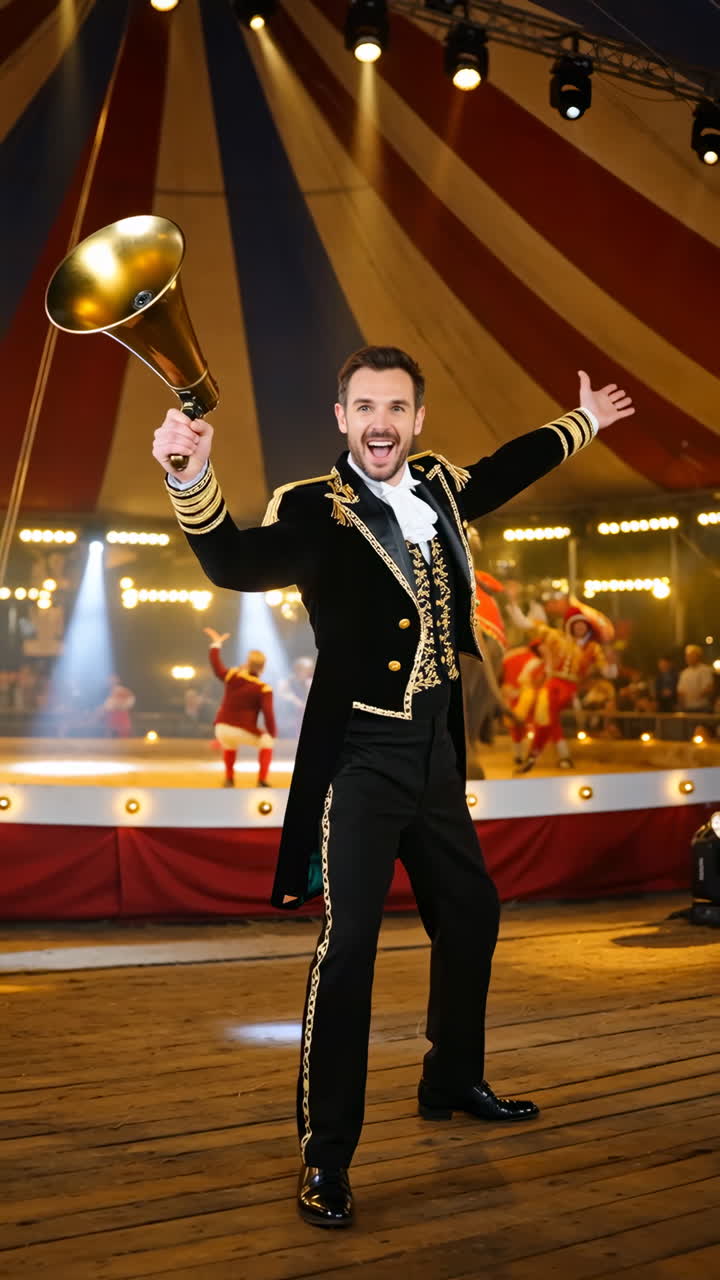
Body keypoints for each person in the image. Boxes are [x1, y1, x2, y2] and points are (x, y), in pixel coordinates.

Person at [152, 346, 634, 1227]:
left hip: (435, 755)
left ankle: (451, 1078)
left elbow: (503, 470)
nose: (382, 422)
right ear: (342, 416)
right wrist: (191, 473)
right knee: (353, 950)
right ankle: (326, 1157)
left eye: (397, 408)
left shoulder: (442, 484)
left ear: (416, 419)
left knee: (473, 911)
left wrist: (585, 424)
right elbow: (232, 561)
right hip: (362, 756)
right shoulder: (311, 506)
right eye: (365, 406)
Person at [507, 592, 612, 771]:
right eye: (577, 624)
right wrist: (513, 602)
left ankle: (536, 756)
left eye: (583, 625)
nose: (580, 628)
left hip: (569, 687)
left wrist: (611, 663)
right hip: (552, 683)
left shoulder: (593, 648)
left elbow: (608, 672)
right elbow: (525, 624)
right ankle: (554, 757)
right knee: (548, 717)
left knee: (546, 714)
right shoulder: (557, 637)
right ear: (570, 626)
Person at [204, 629, 276, 787]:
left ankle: (229, 779)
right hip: (242, 728)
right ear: (262, 667)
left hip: (221, 728)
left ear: (247, 663)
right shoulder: (263, 688)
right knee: (267, 742)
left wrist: (216, 644)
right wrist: (272, 733)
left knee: (229, 744)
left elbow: (217, 667)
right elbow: (268, 714)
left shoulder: (232, 676)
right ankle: (262, 780)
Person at [500, 640, 545, 766]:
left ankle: (522, 756)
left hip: (521, 696)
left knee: (520, 727)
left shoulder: (510, 657)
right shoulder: (536, 661)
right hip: (523, 696)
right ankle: (523, 756)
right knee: (522, 726)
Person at [277, 656, 315, 738]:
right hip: (288, 720)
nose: (310, 673)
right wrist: (293, 699)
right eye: (306, 670)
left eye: (310, 670)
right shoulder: (285, 682)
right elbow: (281, 696)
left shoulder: (309, 683)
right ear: (297, 670)